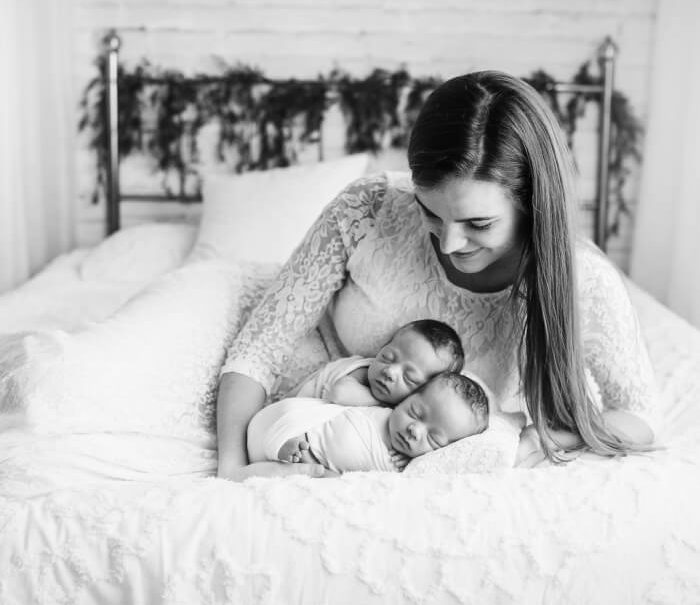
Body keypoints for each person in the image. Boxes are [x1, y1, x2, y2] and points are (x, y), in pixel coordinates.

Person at [217, 70, 657, 481]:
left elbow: (638, 417)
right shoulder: (368, 208)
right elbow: (259, 350)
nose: (448, 244)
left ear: (532, 206)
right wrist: (233, 472)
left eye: (478, 224)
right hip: (302, 430)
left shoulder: (583, 278)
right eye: (428, 212)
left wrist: (537, 440)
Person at [247, 372, 490, 473]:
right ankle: (289, 446)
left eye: (433, 438)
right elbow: (335, 401)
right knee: (300, 420)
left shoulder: (410, 467)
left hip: (316, 468)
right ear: (405, 398)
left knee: (324, 479)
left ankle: (296, 458)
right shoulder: (378, 410)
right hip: (302, 429)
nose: (415, 430)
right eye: (414, 412)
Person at [289, 318, 465, 406]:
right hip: (294, 409)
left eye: (409, 377)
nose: (390, 371)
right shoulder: (362, 372)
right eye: (387, 357)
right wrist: (387, 406)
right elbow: (339, 394)